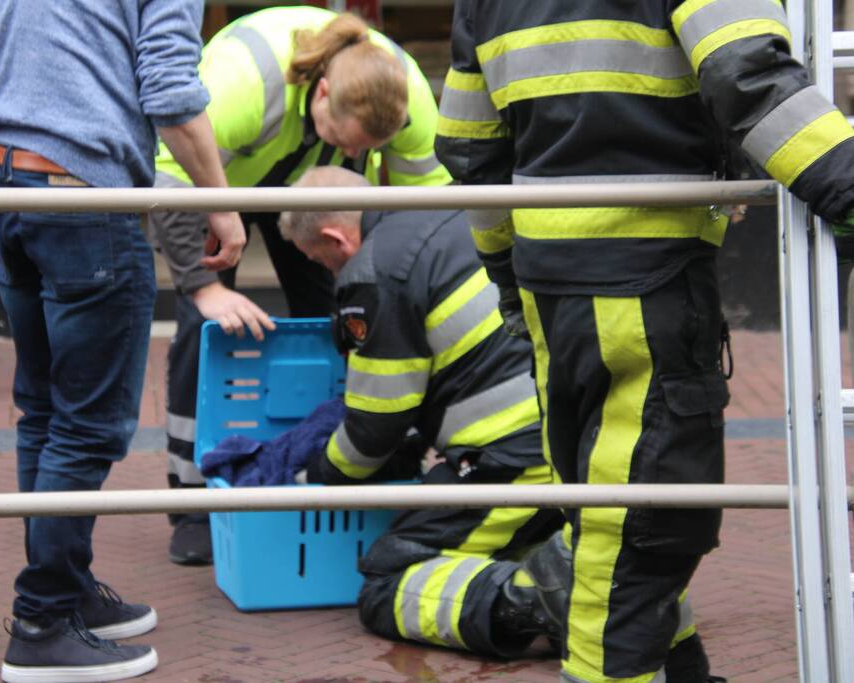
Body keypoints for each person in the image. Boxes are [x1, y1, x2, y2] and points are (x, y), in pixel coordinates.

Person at [435, 2, 854, 681]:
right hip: (646, 275)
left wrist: (506, 272)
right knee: (643, 517)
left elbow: (466, 143)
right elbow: (745, 72)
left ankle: (678, 667)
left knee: (606, 499)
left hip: (546, 280)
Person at [280, 167, 709, 667]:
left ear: (336, 237)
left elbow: (375, 424)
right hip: (582, 442)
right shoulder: (453, 214)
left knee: (388, 579)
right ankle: (598, 583)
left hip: (514, 460)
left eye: (321, 261)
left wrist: (316, 478)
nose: (329, 272)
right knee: (516, 543)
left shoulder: (372, 271)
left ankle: (540, 594)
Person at [0, 2, 246, 681]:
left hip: (3, 181)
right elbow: (168, 89)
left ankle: (64, 590)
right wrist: (220, 204)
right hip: (83, 194)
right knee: (88, 425)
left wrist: (35, 88)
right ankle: (43, 620)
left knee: (44, 411)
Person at [149, 5, 452, 566]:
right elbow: (170, 175)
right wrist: (202, 288)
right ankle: (194, 502)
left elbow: (424, 214)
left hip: (310, 190)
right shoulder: (242, 83)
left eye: (368, 149)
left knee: (342, 317)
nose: (358, 157)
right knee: (203, 329)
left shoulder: (407, 94)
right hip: (213, 181)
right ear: (322, 94)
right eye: (350, 141)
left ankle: (330, 461)